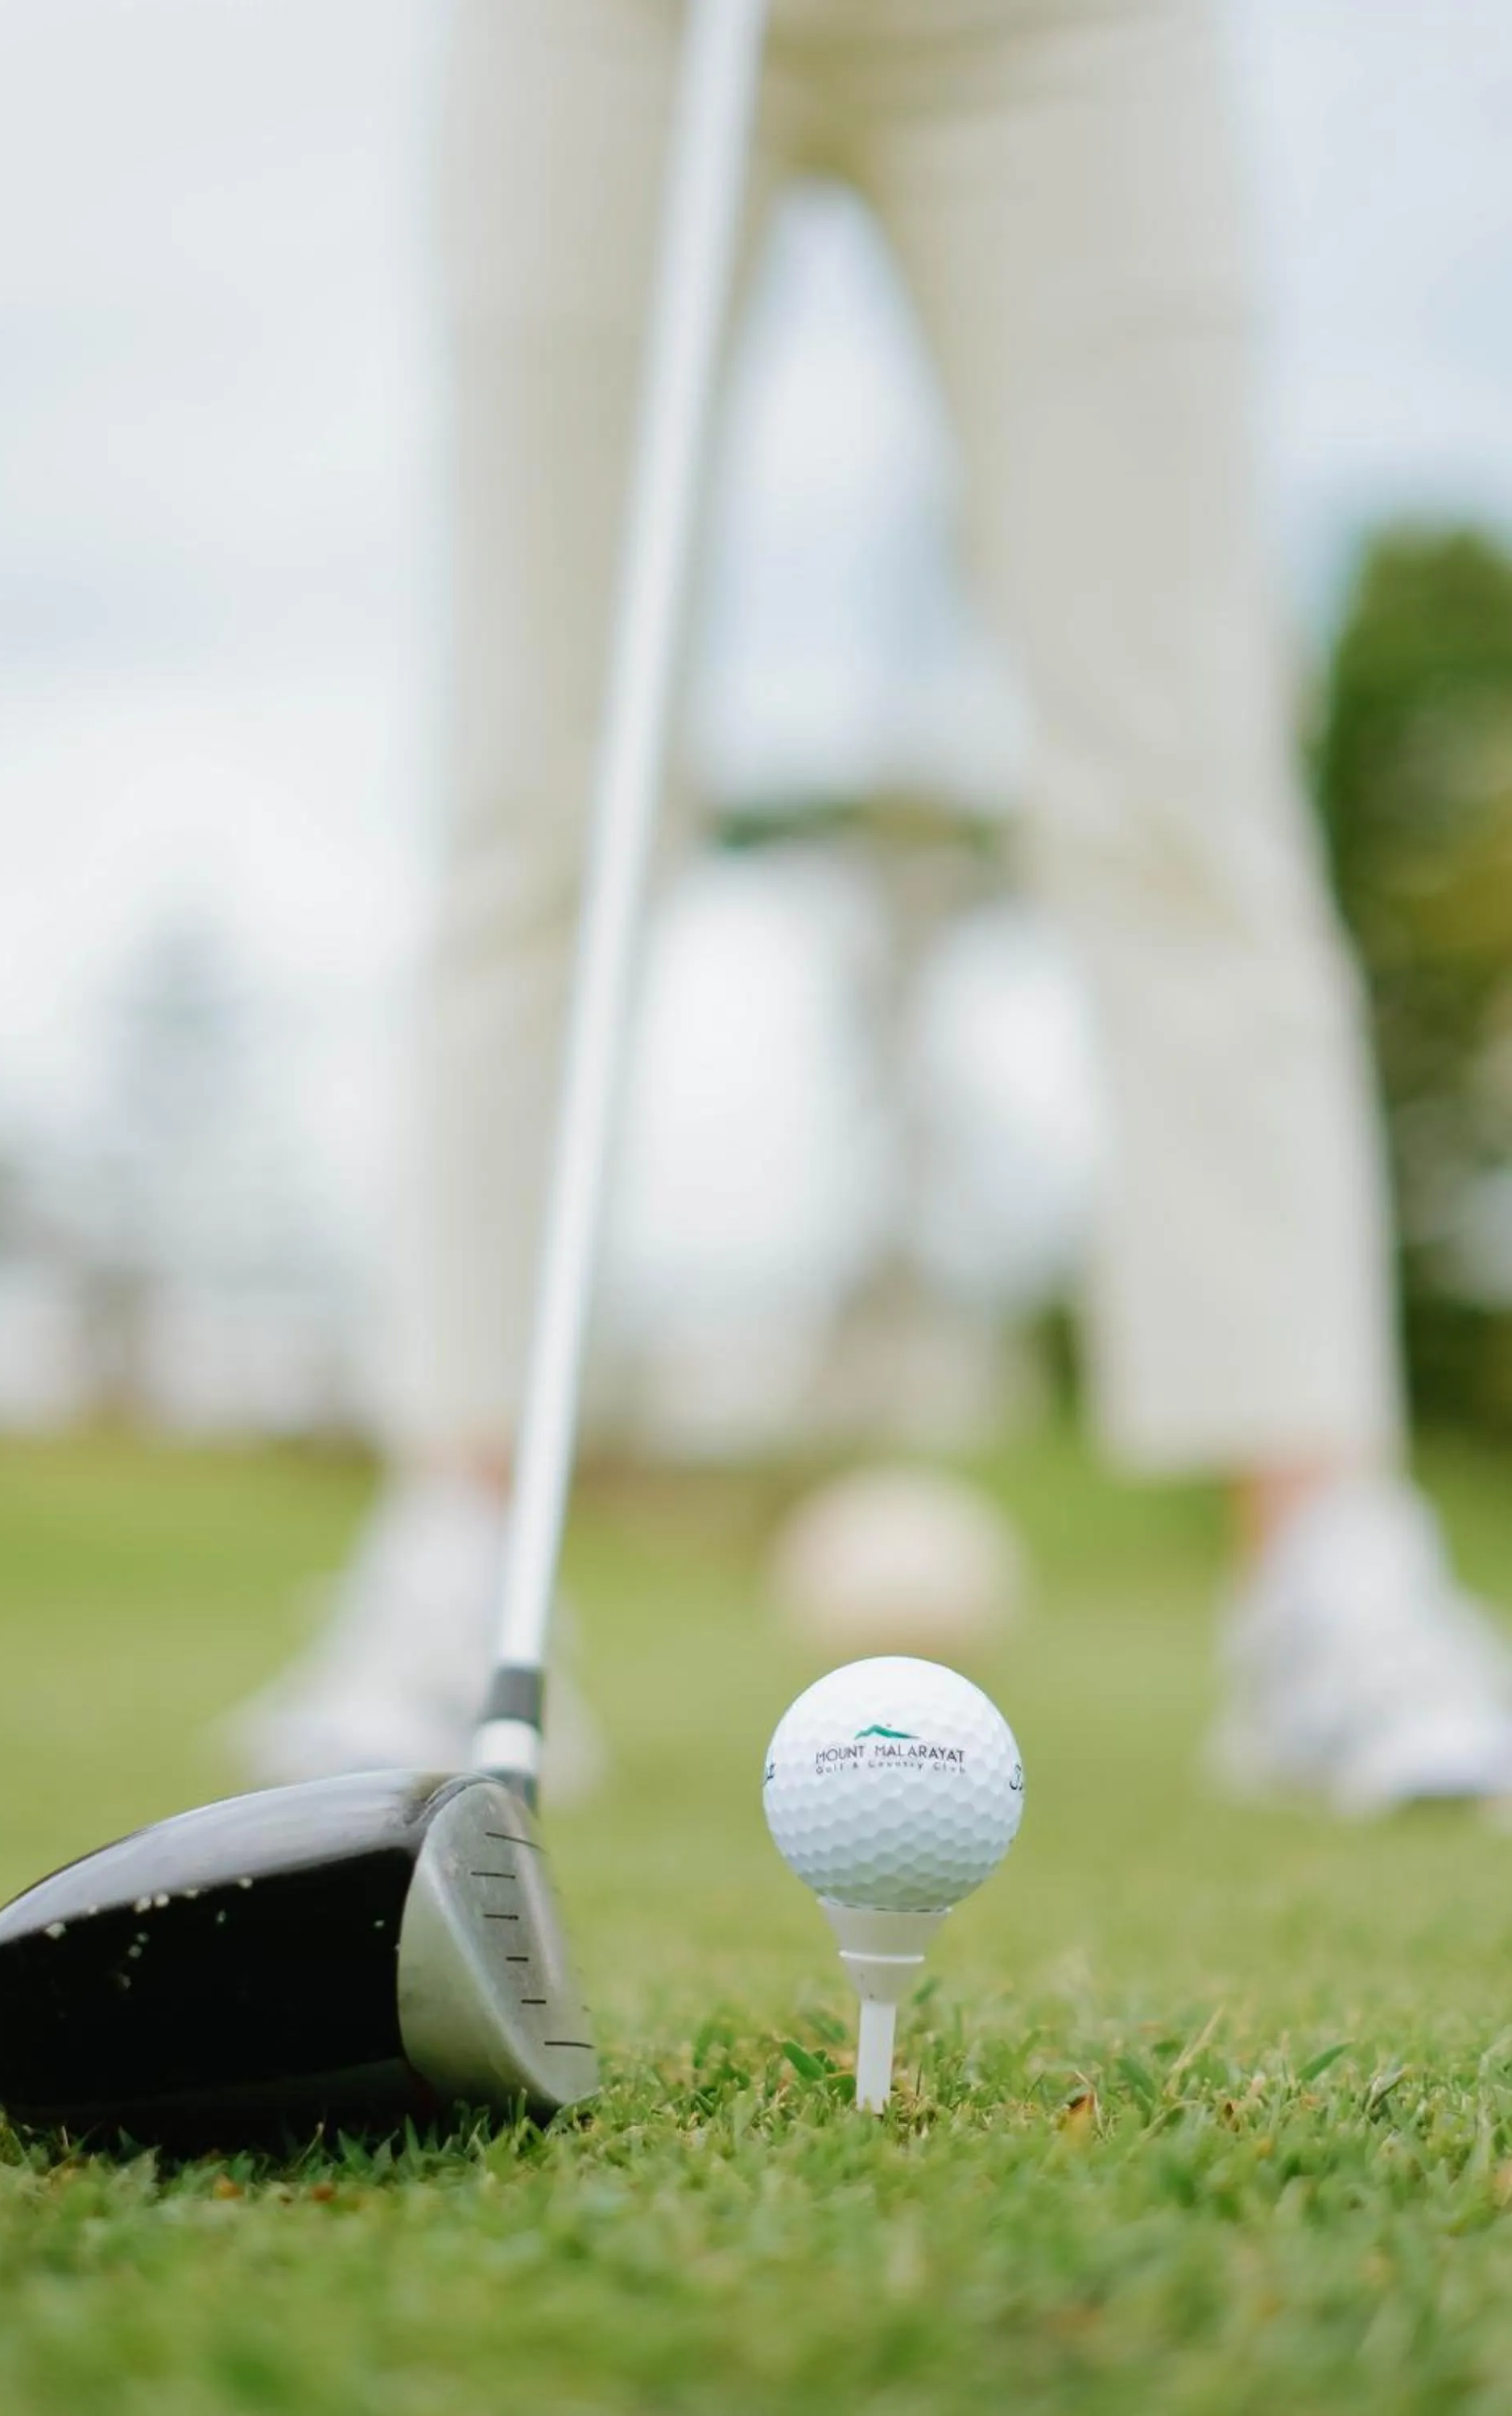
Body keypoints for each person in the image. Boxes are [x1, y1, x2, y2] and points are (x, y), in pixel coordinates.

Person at [229, 0, 1512, 1818]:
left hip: (1065, 36)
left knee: (1182, 789)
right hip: (614, 35)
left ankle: (1328, 1578)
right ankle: (454, 1565)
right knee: (545, 798)